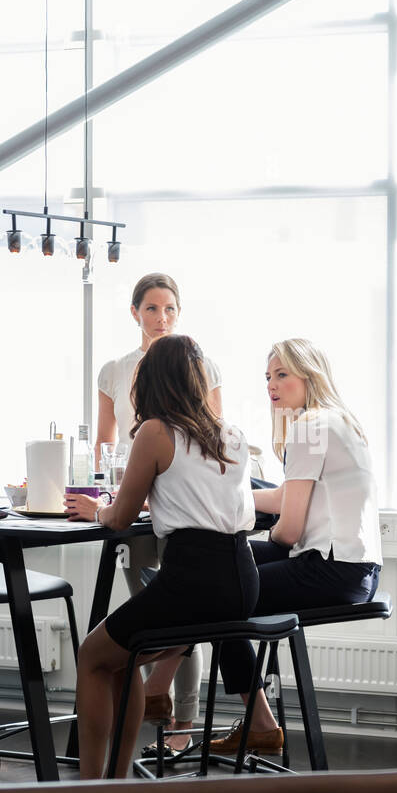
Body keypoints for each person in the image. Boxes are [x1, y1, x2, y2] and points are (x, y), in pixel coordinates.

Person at [67, 334, 256, 779]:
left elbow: (119, 518)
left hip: (192, 580)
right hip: (242, 582)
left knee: (93, 656)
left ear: (149, 380)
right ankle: (118, 778)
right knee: (123, 654)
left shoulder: (156, 431)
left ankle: (98, 785)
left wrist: (98, 510)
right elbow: (205, 499)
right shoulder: (232, 433)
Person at [205, 339, 383, 754]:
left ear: (310, 374)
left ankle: (260, 726)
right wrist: (232, 500)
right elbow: (288, 496)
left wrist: (251, 537)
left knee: (217, 595)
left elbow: (288, 530)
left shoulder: (309, 427)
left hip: (330, 568)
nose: (272, 384)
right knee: (218, 570)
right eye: (268, 376)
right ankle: (178, 694)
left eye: (283, 374)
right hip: (355, 569)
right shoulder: (334, 420)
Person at [91, 273, 222, 752]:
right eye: (152, 308)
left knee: (176, 612)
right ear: (135, 313)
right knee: (151, 617)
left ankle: (180, 727)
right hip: (137, 497)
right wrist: (120, 492)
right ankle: (152, 705)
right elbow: (105, 444)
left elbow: (208, 441)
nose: (161, 318)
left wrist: (114, 507)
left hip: (177, 507)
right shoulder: (114, 371)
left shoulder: (198, 366)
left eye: (170, 309)